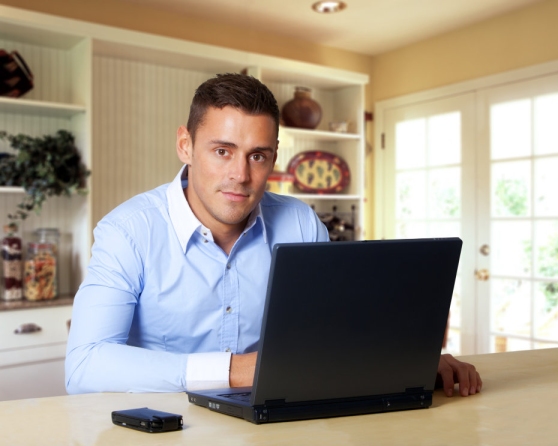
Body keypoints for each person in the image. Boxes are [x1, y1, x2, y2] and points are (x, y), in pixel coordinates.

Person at [65, 73, 482, 398]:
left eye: (257, 156)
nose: (240, 176)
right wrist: (235, 369)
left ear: (273, 158)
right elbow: (85, 365)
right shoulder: (128, 232)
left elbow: (336, 330)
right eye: (222, 151)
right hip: (163, 425)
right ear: (185, 146)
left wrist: (413, 361)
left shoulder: (300, 223)